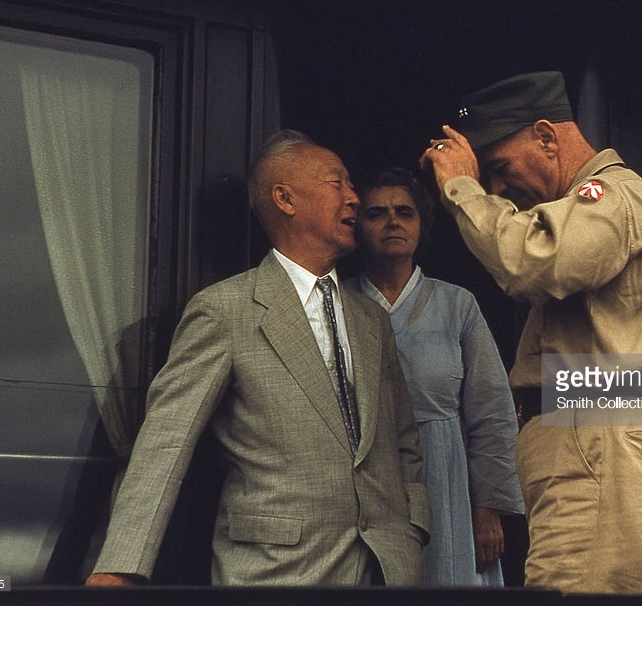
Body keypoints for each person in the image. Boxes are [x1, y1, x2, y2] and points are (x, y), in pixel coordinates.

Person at [87, 130, 429, 587]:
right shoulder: (225, 310)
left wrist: (412, 527)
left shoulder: (370, 319)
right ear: (285, 199)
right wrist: (121, 566)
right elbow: (166, 440)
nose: (353, 197)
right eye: (337, 183)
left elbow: (402, 438)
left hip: (385, 572)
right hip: (276, 574)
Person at [419, 71, 642, 595]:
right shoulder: (609, 202)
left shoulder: (609, 194)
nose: (499, 188)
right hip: (618, 453)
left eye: (500, 168)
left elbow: (533, 261)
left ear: (547, 137)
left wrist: (460, 187)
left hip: (608, 455)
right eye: (488, 178)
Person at [344, 167, 524, 586]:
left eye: (404, 213)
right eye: (377, 213)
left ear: (421, 226)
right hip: (361, 476)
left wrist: (487, 507)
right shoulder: (338, 301)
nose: (392, 222)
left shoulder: (456, 304)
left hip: (444, 473)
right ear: (358, 226)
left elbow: (492, 412)